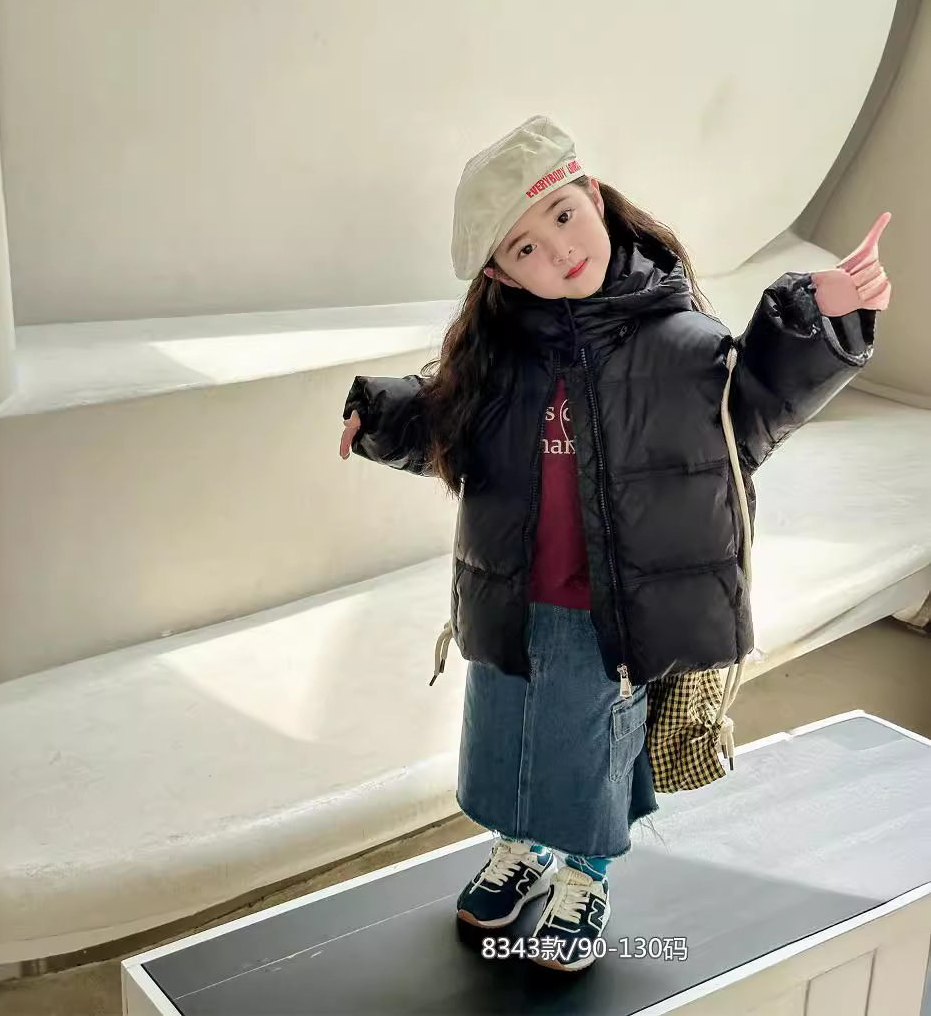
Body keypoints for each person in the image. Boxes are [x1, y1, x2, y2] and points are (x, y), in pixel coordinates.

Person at [338, 115, 891, 972]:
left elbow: (753, 410)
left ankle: (585, 874)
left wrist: (817, 322)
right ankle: (521, 846)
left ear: (593, 197)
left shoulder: (682, 346)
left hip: (613, 606)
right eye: (524, 249)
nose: (559, 251)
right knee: (505, 736)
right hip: (512, 593)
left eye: (562, 215)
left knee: (589, 747)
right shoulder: (500, 358)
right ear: (500, 275)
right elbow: (444, 419)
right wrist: (377, 413)